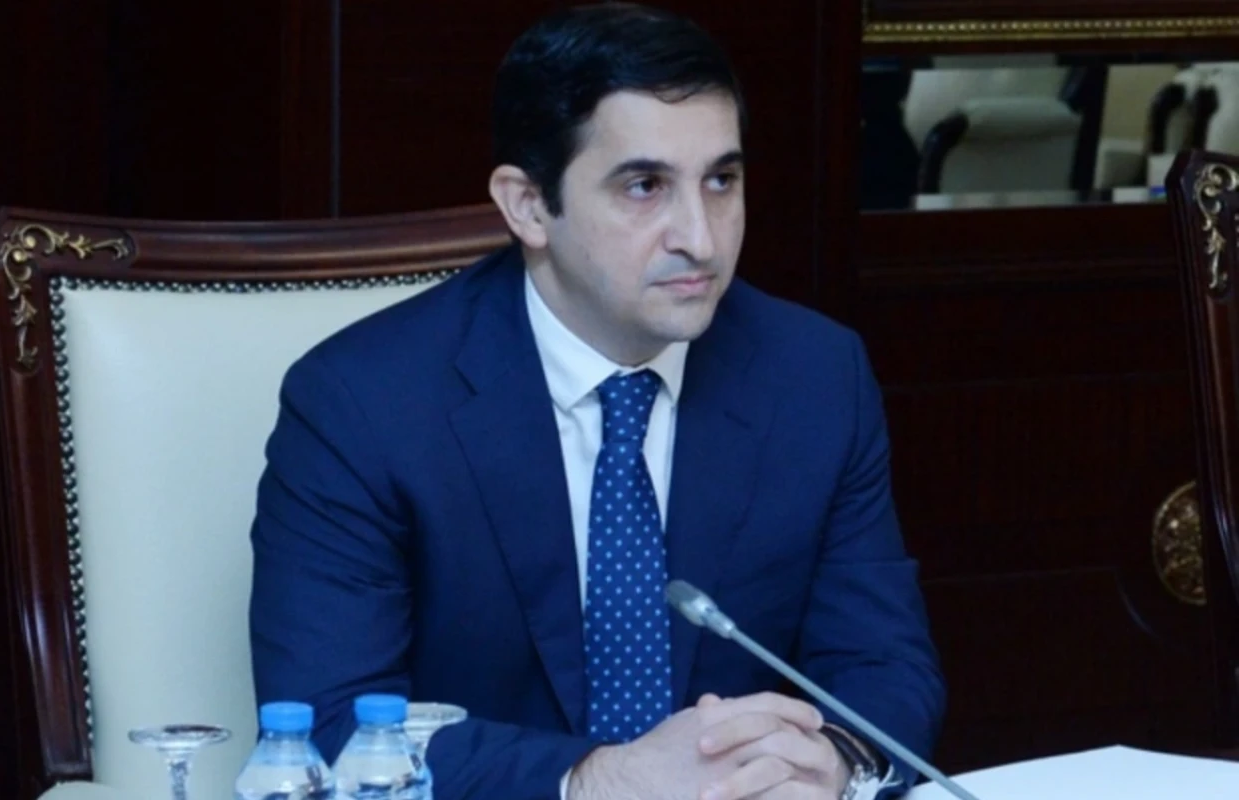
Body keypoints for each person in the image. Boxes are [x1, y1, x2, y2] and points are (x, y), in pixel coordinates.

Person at [248, 4, 945, 799]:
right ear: (527, 205)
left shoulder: (813, 375)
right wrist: (598, 779)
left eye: (721, 180)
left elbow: (882, 665)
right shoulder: (362, 403)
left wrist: (840, 761)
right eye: (645, 187)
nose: (701, 238)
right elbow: (328, 720)